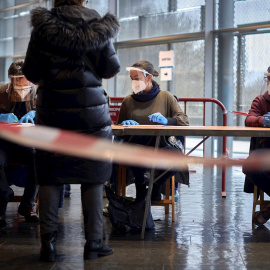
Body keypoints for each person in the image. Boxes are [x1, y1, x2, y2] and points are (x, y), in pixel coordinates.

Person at [22, 0, 120, 262]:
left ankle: (48, 245)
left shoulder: (43, 26)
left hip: (52, 114)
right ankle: (93, 244)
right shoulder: (98, 24)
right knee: (92, 177)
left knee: (51, 177)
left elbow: (30, 70)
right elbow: (111, 68)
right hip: (91, 118)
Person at [116, 60, 189, 202]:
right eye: (132, 79)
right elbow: (118, 128)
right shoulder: (128, 101)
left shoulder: (166, 97)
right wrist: (123, 124)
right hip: (135, 147)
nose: (134, 82)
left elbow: (184, 120)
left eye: (136, 78)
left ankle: (156, 185)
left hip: (161, 146)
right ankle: (140, 187)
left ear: (149, 78)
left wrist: (167, 121)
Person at [0, 59, 39, 225]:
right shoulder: (1, 93)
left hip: (27, 141)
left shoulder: (38, 94)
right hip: (4, 143)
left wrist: (35, 114)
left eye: (22, 80)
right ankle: (2, 198)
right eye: (15, 80)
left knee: (39, 160)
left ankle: (27, 205)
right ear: (10, 80)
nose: (19, 84)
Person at [243, 66, 270, 226]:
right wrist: (261, 121)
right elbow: (249, 119)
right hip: (266, 149)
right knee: (250, 166)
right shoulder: (260, 101)